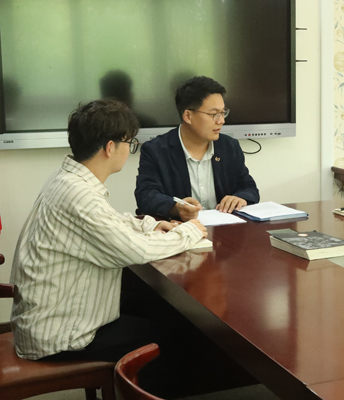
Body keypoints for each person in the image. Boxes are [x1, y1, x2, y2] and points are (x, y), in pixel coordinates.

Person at [9, 99, 208, 397]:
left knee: (153, 308)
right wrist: (189, 232)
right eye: (130, 143)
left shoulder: (70, 180)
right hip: (60, 333)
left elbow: (110, 222)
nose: (130, 149)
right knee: (168, 339)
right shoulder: (80, 196)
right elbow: (135, 251)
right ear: (110, 147)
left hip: (54, 314)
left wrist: (151, 225)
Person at [135, 76, 259, 221]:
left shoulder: (229, 146)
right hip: (180, 229)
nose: (222, 120)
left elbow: (249, 188)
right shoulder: (156, 150)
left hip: (224, 228)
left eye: (223, 112)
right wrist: (177, 208)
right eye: (214, 114)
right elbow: (146, 196)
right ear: (188, 116)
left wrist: (240, 198)